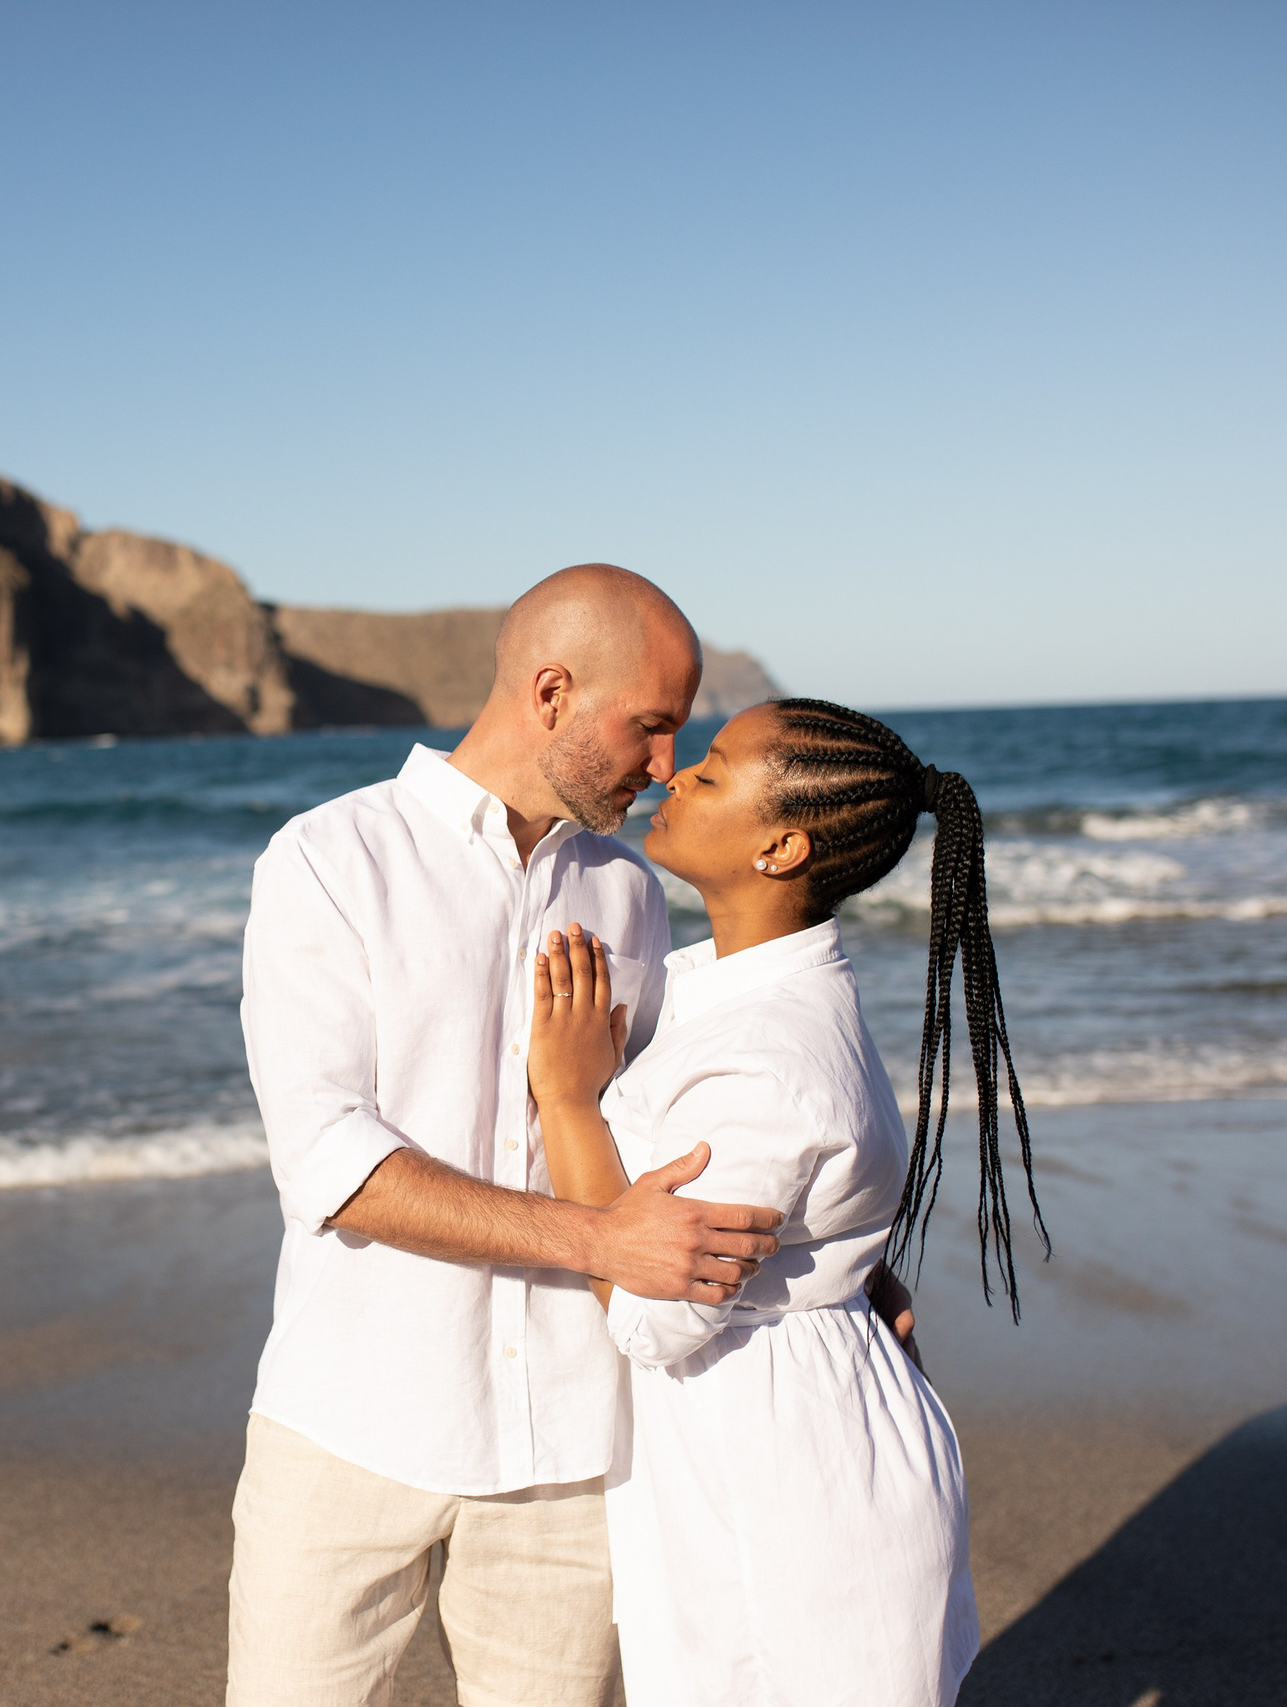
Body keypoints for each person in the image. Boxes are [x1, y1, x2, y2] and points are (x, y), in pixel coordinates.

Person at [229, 566, 913, 1707]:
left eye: (678, 738)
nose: (663, 766)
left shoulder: (631, 892)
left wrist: (842, 1265)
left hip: (574, 1449)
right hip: (347, 1421)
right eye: (649, 727)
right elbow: (327, 1162)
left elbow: (696, 1126)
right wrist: (599, 1243)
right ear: (550, 692)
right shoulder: (329, 860)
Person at [525, 698, 1045, 1707]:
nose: (676, 778)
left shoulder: (766, 1053)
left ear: (783, 845)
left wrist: (567, 1099)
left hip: (788, 1477)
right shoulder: (735, 996)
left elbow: (651, 1314)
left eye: (710, 774)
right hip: (788, 1429)